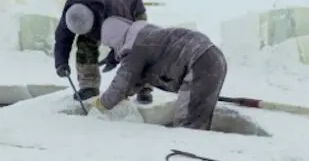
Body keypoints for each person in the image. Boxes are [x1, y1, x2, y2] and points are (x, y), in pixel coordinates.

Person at [92, 17, 228, 130]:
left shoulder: (135, 49)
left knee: (188, 125)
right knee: (198, 117)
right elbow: (139, 77)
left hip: (199, 63)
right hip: (212, 57)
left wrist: (102, 103)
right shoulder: (146, 33)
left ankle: (186, 156)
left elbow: (121, 84)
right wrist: (127, 92)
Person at [53, 0, 153, 104]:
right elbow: (62, 39)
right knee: (85, 43)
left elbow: (128, 37)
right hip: (103, 6)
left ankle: (144, 87)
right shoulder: (71, 14)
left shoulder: (115, 10)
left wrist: (113, 57)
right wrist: (61, 63)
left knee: (137, 48)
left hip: (131, 3)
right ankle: (89, 86)